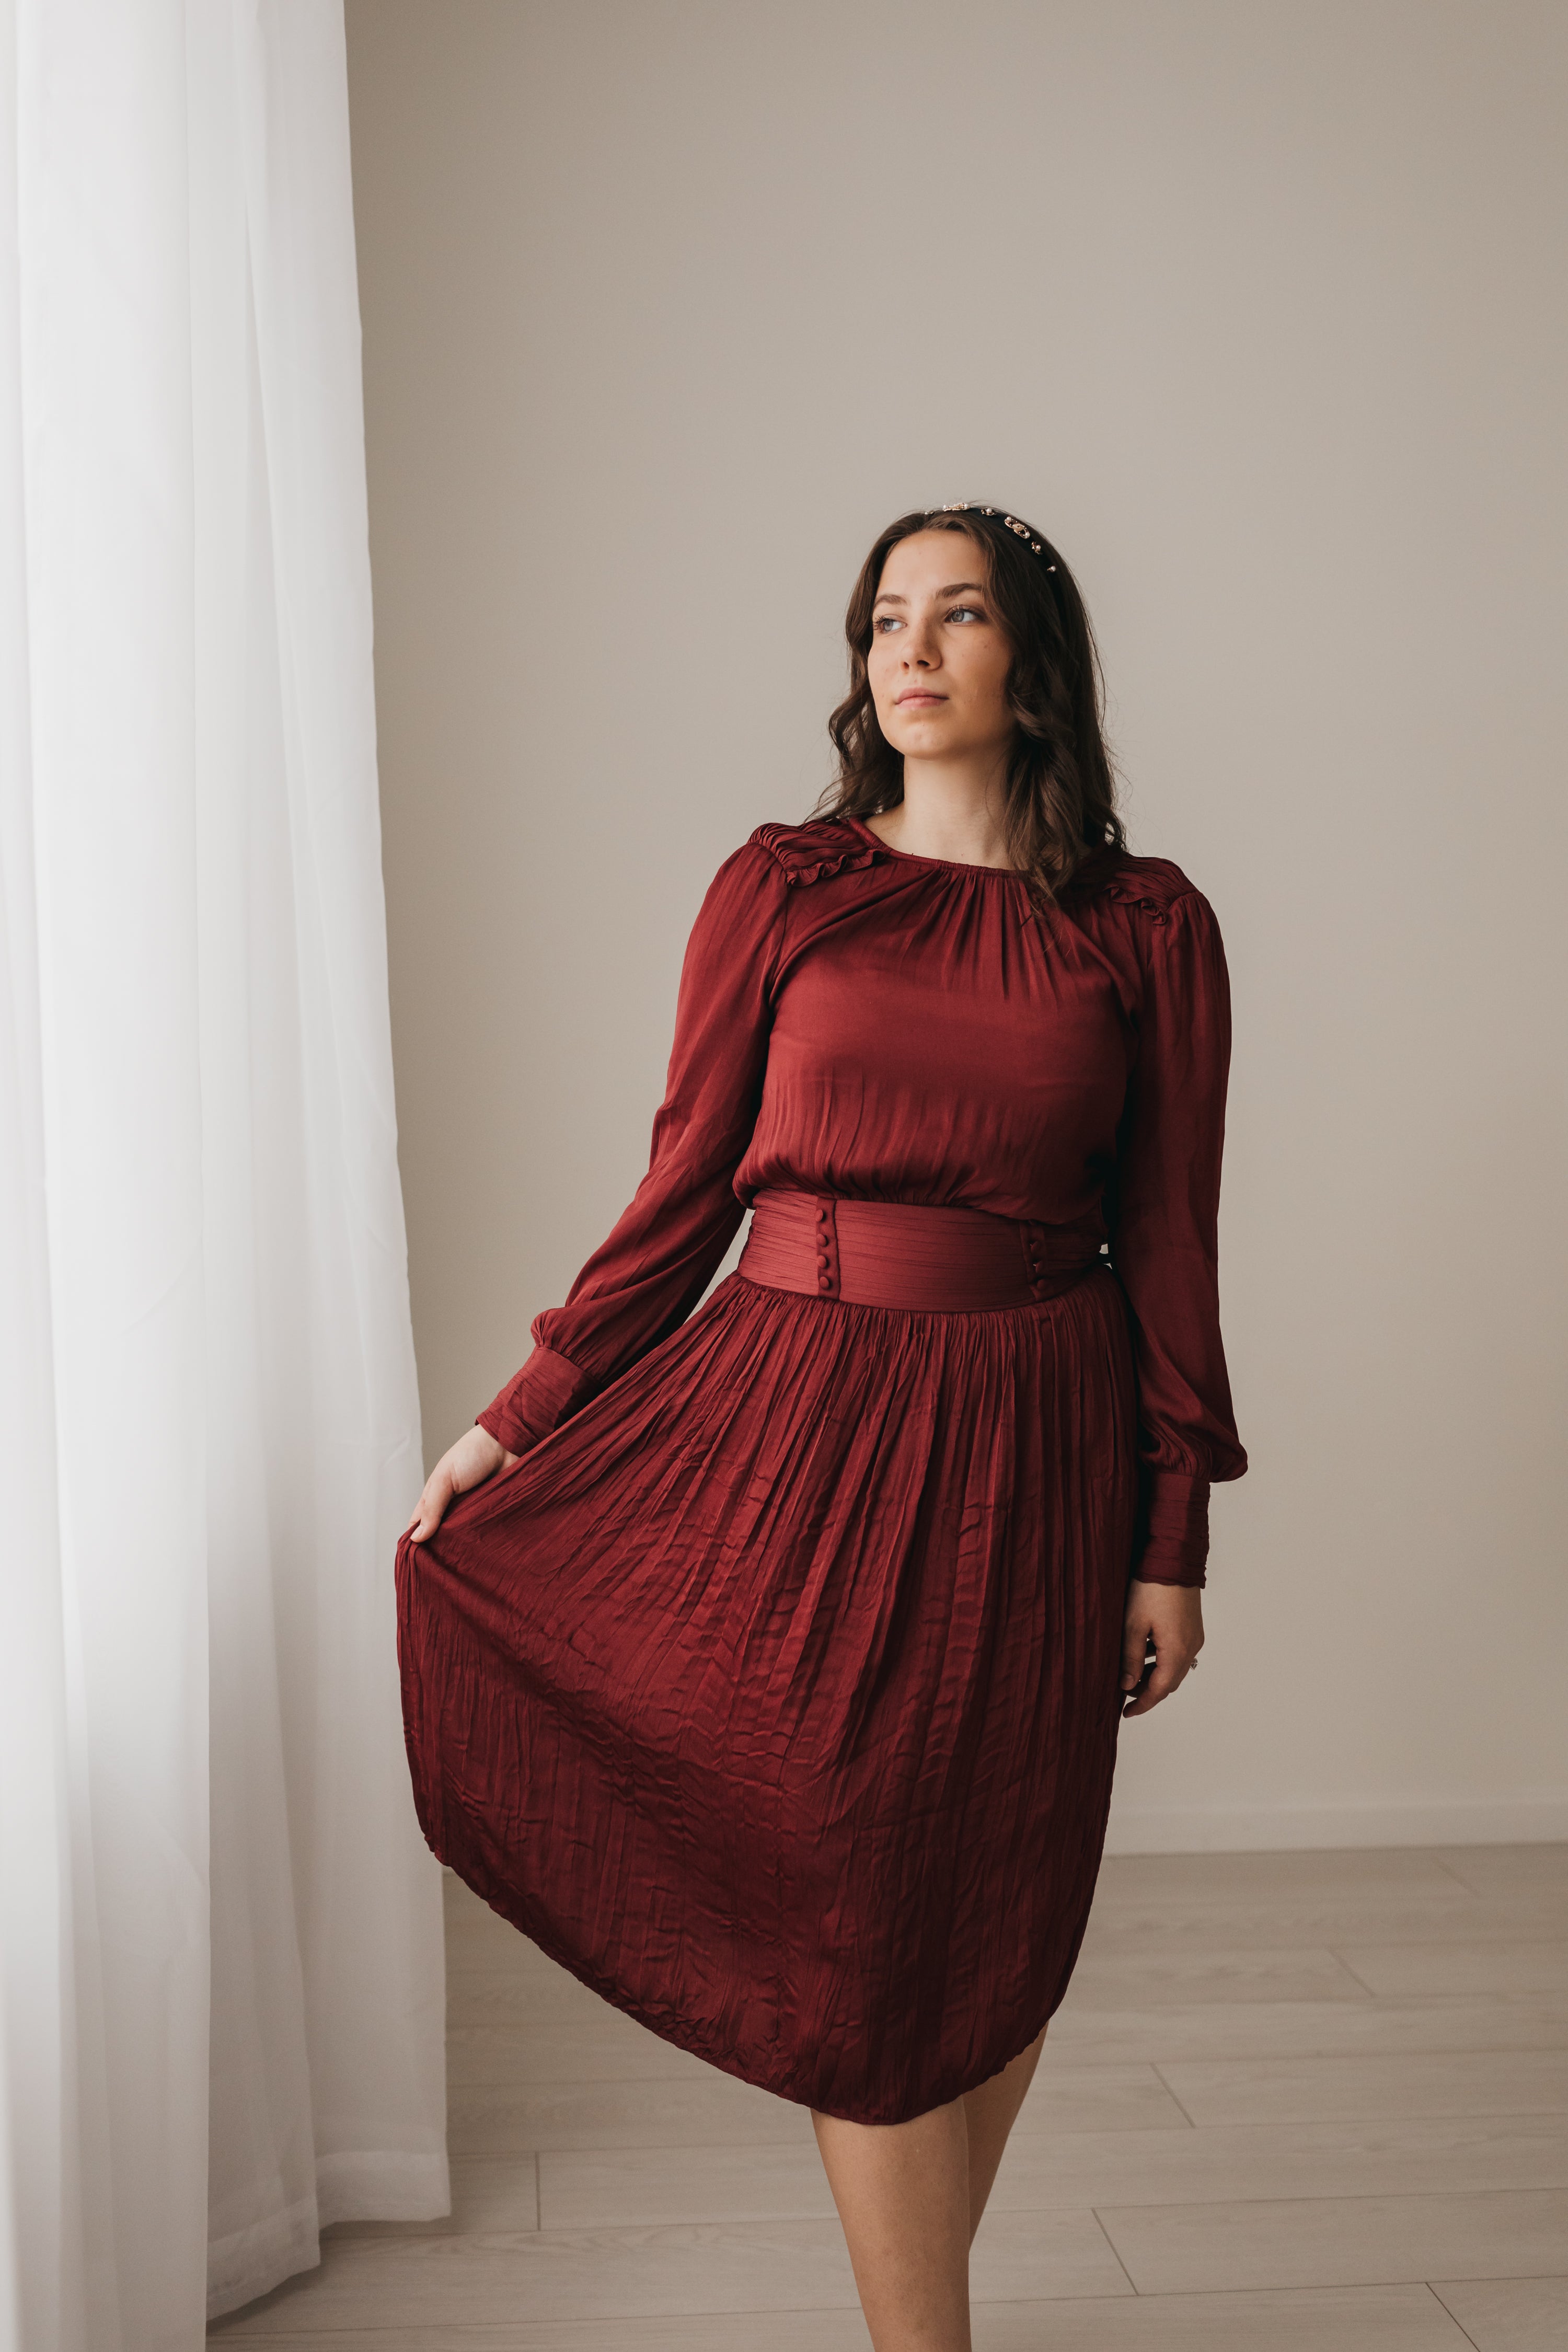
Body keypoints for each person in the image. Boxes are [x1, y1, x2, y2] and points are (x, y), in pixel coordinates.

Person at [396, 501, 1247, 2351]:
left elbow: (1172, 1241)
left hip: (1039, 1438)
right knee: (867, 1927)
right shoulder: (785, 887)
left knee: (1003, 1909)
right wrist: (522, 1418)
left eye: (958, 615)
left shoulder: (1147, 928)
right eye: (883, 620)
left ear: (1036, 666)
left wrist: (1170, 1531)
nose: (910, 650)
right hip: (800, 1423)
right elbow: (683, 1187)